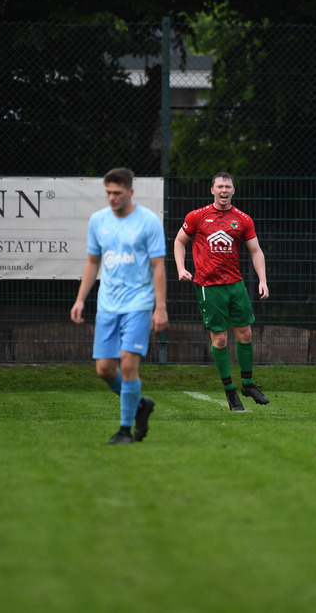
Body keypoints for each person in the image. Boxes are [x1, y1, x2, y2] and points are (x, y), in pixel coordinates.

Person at [70, 168, 167, 444]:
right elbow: (92, 262)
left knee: (127, 365)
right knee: (104, 369)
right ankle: (138, 405)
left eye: (117, 193)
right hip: (107, 306)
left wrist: (160, 307)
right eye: (108, 193)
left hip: (138, 303)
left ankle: (125, 430)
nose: (112, 198)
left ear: (130, 192)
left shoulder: (148, 221)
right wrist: (80, 300)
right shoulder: (98, 221)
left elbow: (158, 266)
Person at [173, 172, 269, 412]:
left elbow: (256, 252)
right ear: (212, 190)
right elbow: (179, 242)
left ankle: (247, 384)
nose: (224, 190)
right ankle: (230, 392)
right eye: (219, 186)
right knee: (220, 338)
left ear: (233, 191)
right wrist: (181, 268)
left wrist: (263, 280)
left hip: (235, 284)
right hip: (208, 285)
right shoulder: (197, 216)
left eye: (228, 186)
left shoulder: (243, 219)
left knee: (245, 333)